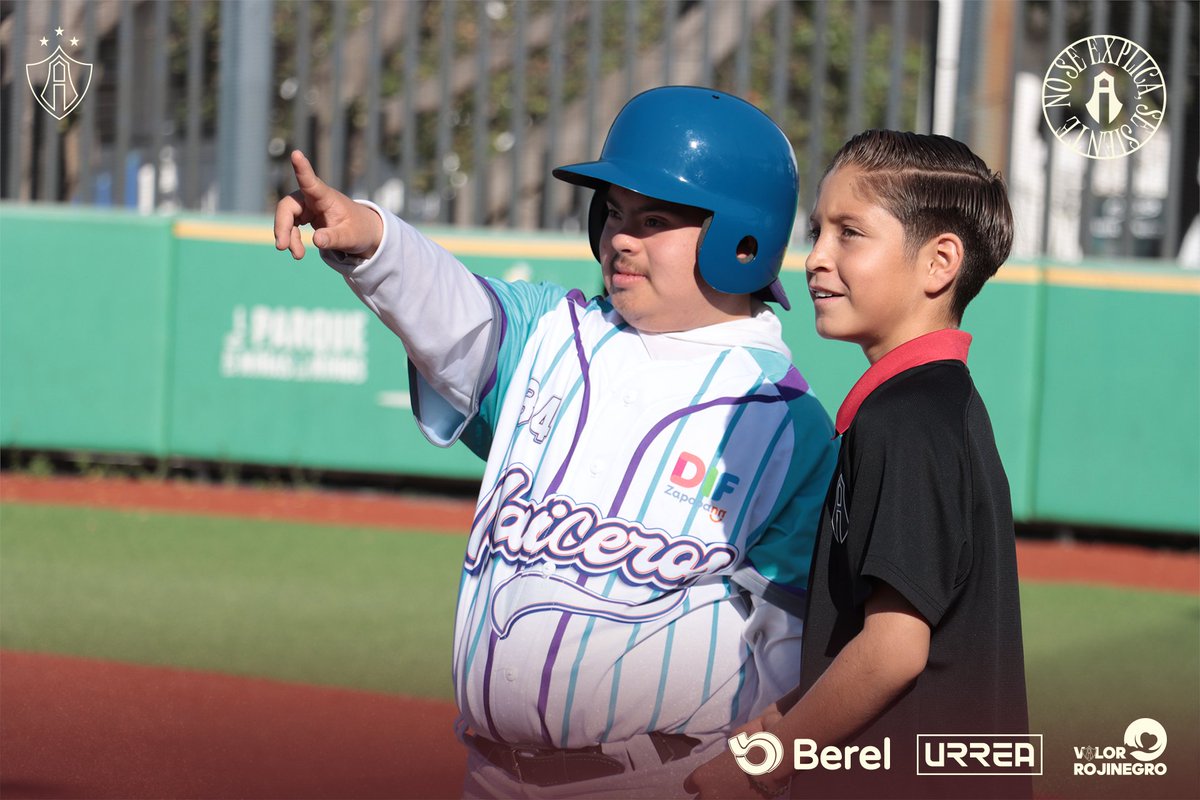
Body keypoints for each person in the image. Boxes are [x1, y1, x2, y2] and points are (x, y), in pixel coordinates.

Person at [274, 86, 838, 798]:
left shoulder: (786, 422)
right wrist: (374, 241)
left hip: (663, 780)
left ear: (741, 239)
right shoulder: (553, 333)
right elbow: (454, 311)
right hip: (488, 774)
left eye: (655, 219)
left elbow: (794, 650)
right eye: (615, 214)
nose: (620, 238)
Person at [686, 130, 1031, 799]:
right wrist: (776, 725)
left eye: (850, 233)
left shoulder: (907, 419)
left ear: (939, 264)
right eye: (818, 231)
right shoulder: (927, 406)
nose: (816, 258)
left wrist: (760, 766)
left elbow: (893, 650)